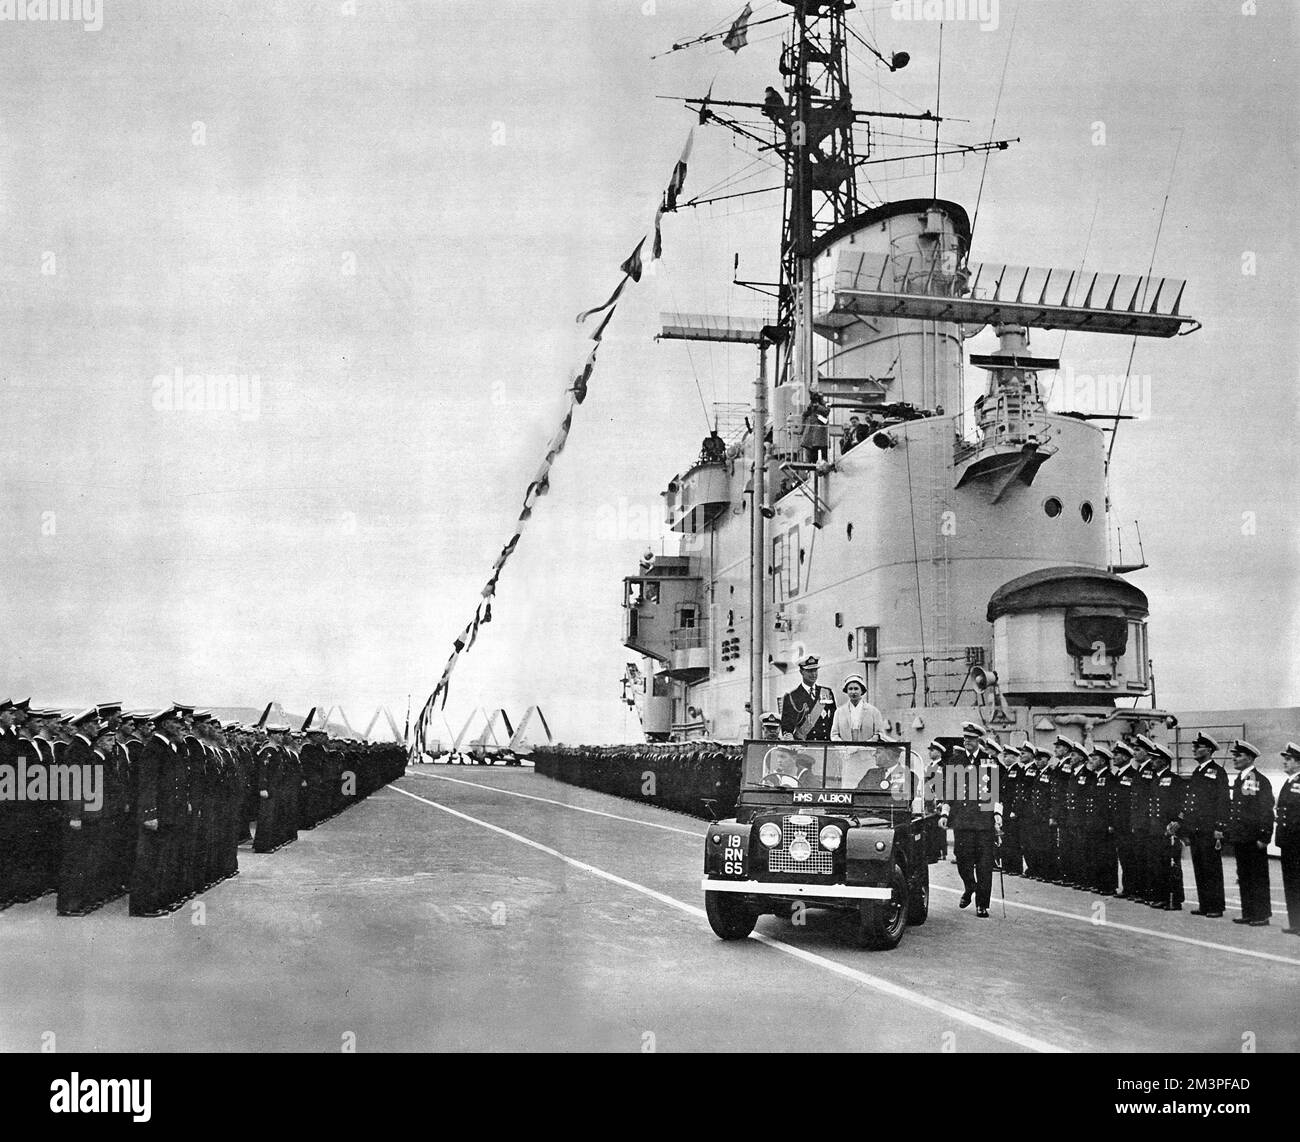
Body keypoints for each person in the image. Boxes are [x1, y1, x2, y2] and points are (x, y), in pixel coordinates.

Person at [940, 722, 1000, 917]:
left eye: (971, 739)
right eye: (965, 738)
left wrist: (998, 815)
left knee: (984, 864)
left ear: (979, 741)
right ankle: (969, 886)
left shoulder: (988, 761)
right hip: (962, 820)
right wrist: (945, 813)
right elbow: (949, 789)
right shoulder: (955, 760)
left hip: (984, 820)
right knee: (963, 859)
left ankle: (982, 904)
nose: (967, 742)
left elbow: (996, 792)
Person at [1225, 740, 1274, 926]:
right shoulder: (1241, 779)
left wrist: (1264, 836)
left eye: (1239, 755)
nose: (1234, 758)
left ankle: (1261, 914)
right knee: (1244, 875)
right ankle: (1249, 912)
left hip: (1253, 837)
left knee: (1257, 877)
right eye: (1234, 755)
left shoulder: (1257, 780)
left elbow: (1265, 810)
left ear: (1250, 758)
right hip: (1241, 837)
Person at [1183, 732, 1229, 918]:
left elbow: (1223, 801)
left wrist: (1219, 827)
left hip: (1209, 828)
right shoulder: (1198, 772)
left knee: (1211, 868)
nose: (1194, 750)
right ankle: (1205, 904)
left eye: (1198, 747)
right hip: (1196, 828)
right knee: (1200, 866)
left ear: (1209, 750)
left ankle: (1216, 906)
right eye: (1194, 746)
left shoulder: (1218, 772)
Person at [1147, 741, 1185, 911]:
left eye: (1155, 759)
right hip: (1156, 828)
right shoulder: (1155, 780)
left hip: (1168, 829)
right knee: (1158, 864)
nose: (1151, 762)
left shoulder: (1175, 780)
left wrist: (1178, 821)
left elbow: (1183, 804)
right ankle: (1161, 896)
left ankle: (1174, 898)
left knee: (1171, 865)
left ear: (1163, 761)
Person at [1275, 742, 1300, 936]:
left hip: (1296, 841)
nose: (1285, 762)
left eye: (1289, 759)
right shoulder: (1290, 782)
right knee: (1291, 883)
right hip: (1287, 841)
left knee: (1296, 882)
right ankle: (1295, 923)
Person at [780, 655, 835, 741]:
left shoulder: (827, 692)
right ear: (801, 672)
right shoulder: (792, 697)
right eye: (810, 671)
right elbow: (787, 728)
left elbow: (834, 720)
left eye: (815, 670)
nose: (814, 674)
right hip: (804, 747)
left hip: (826, 745)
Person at [830, 673, 884, 742]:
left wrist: (865, 747)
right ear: (846, 691)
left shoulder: (874, 711)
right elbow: (834, 735)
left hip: (868, 751)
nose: (853, 692)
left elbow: (879, 734)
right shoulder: (839, 712)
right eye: (850, 689)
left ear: (862, 690)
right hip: (845, 751)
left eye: (856, 689)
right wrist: (844, 748)